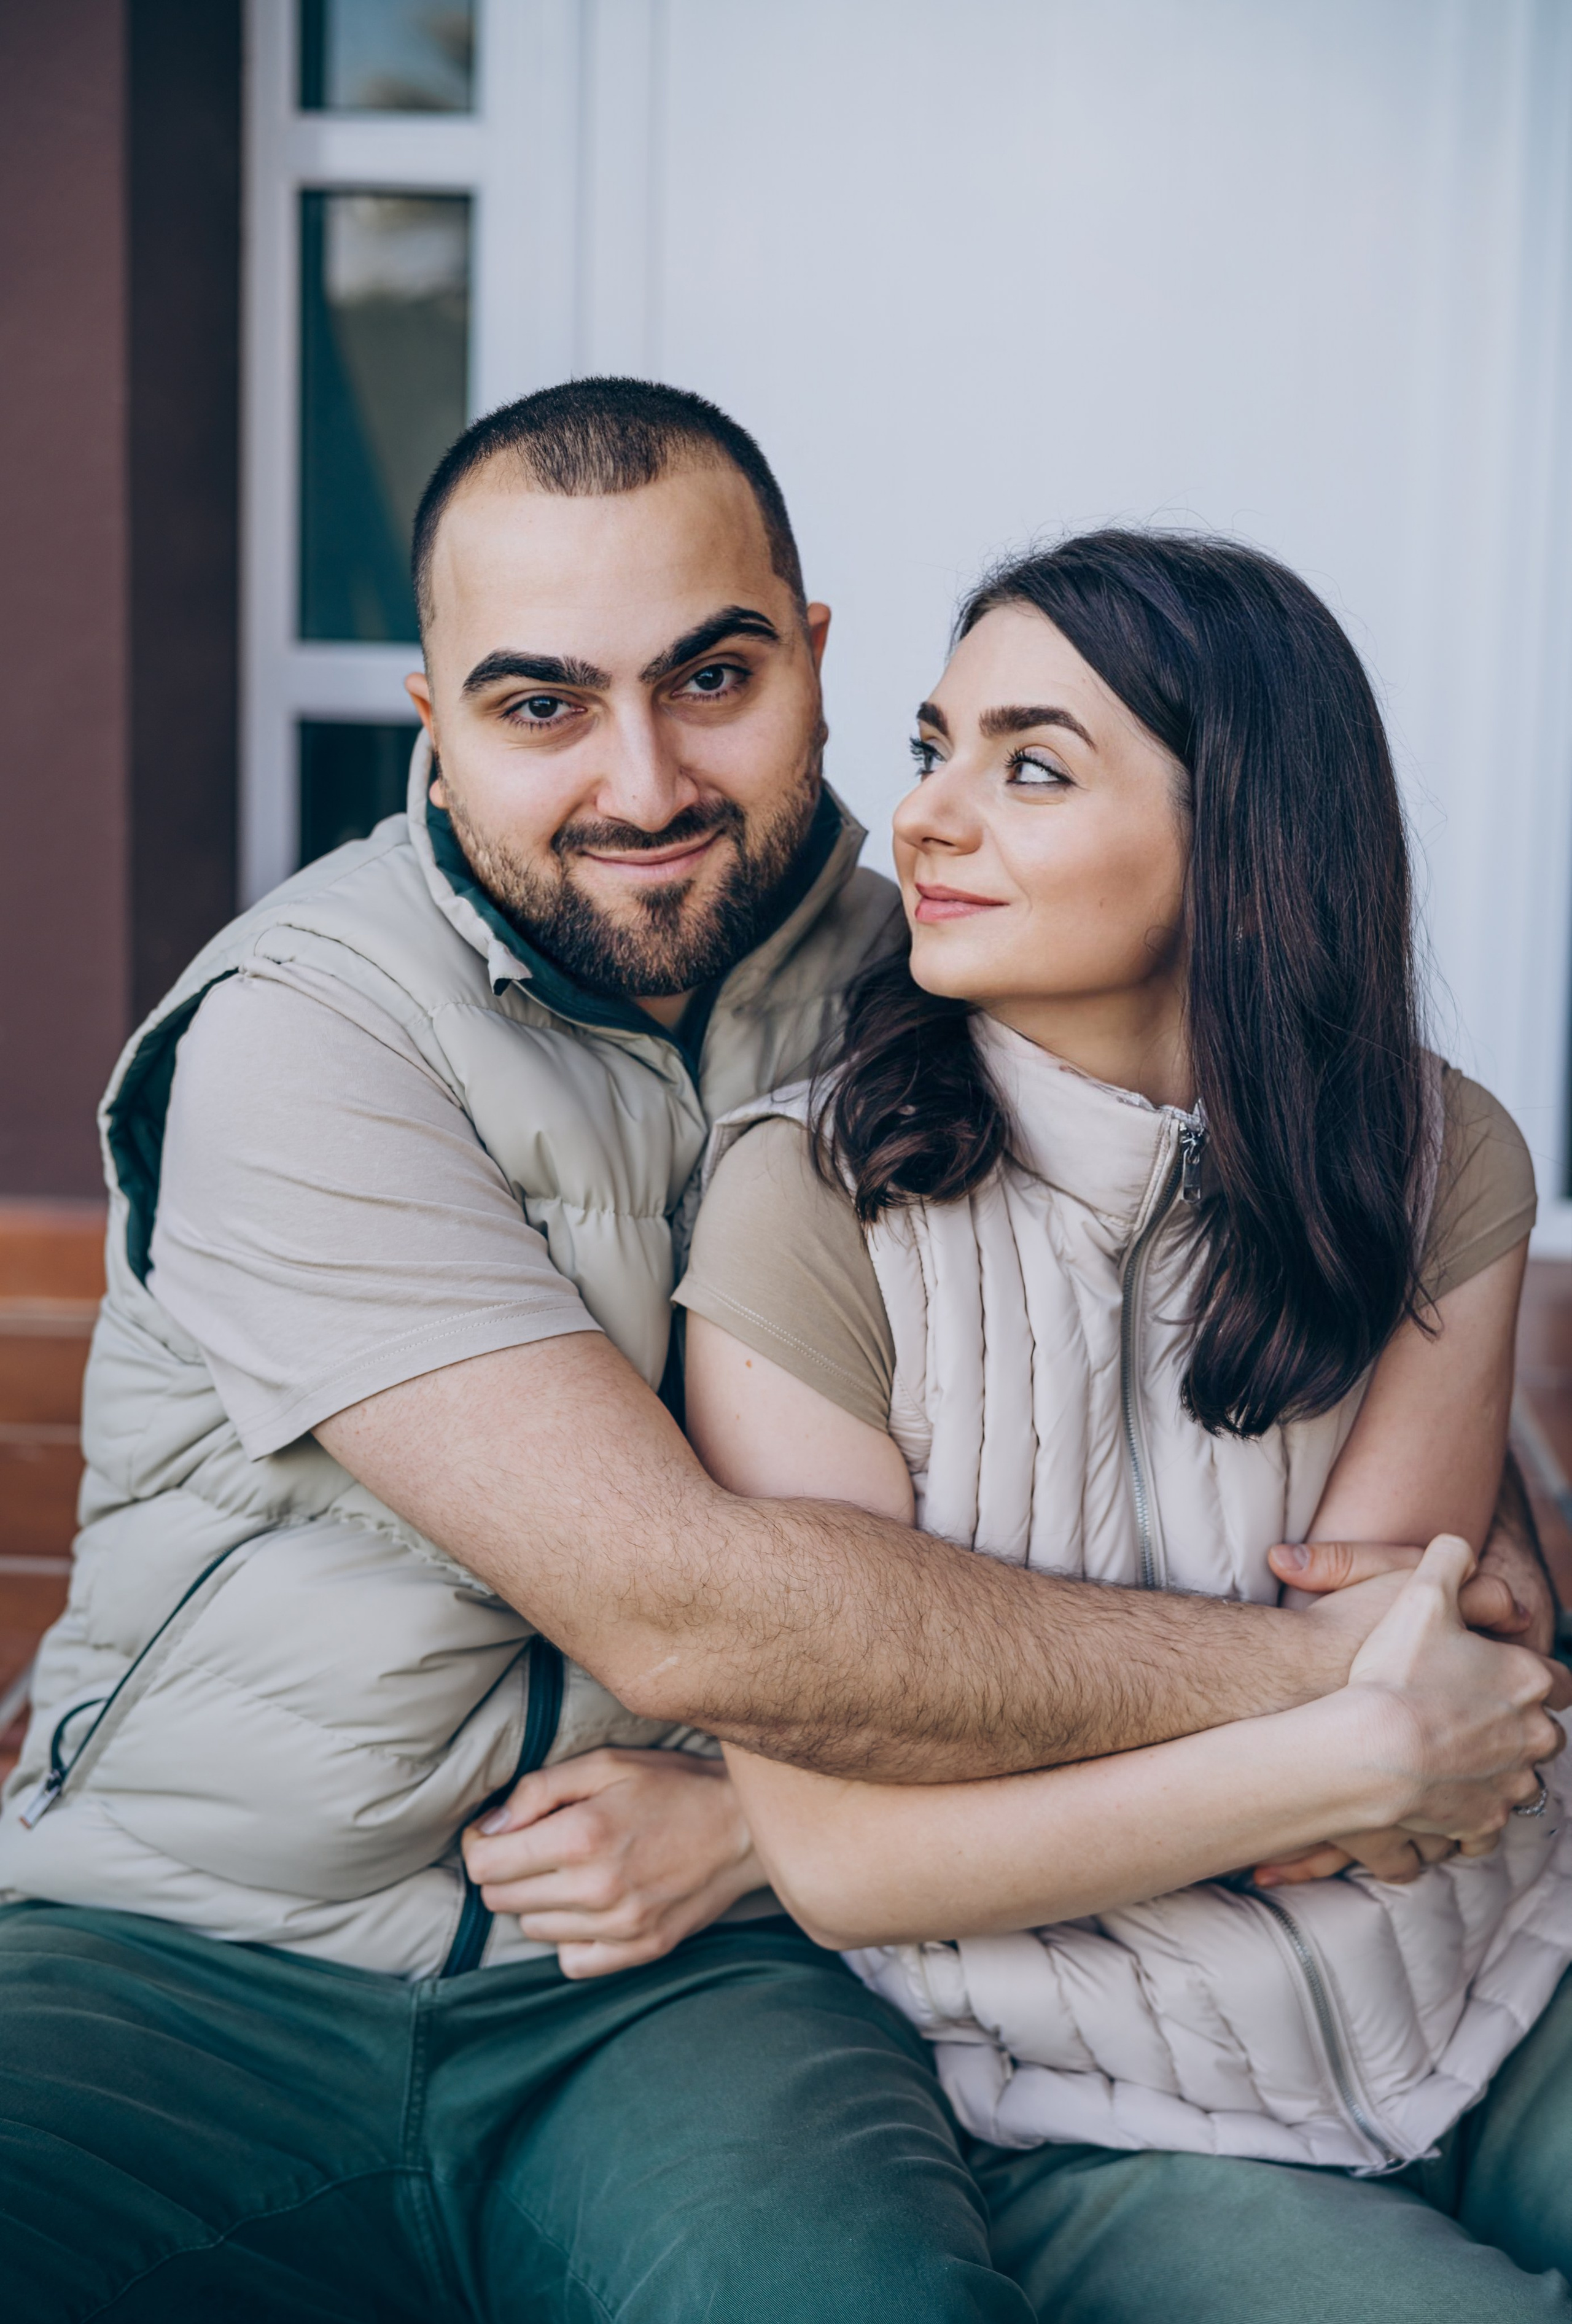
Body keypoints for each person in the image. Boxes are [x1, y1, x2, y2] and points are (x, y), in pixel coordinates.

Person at [0, 384, 1549, 2321]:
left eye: (711, 676)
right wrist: (1331, 1679)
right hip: (201, 1942)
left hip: (704, 1973)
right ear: (436, 722)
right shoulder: (307, 1041)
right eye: (540, 703)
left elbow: (1285, 1230)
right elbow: (689, 1613)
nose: (643, 782)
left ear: (813, 658)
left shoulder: (965, 963)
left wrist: (1481, 1567)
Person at [675, 528, 1572, 2322]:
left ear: (1243, 834)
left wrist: (1357, 1741)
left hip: (1503, 1963)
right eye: (934, 749)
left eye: (1028, 764)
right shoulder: (807, 1201)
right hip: (1093, 2102)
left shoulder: (1437, 1149)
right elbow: (849, 1854)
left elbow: (1399, 1690)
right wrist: (1347, 1742)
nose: (923, 817)